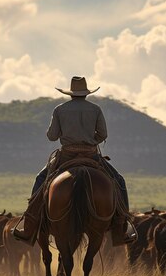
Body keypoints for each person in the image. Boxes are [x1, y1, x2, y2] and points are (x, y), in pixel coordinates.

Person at [12, 76, 133, 246]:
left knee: (40, 179)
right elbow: (103, 135)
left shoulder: (60, 109)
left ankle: (29, 226)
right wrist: (90, 139)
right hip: (91, 155)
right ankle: (122, 227)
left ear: (70, 93)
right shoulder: (96, 109)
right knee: (119, 180)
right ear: (86, 93)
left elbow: (52, 136)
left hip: (66, 155)